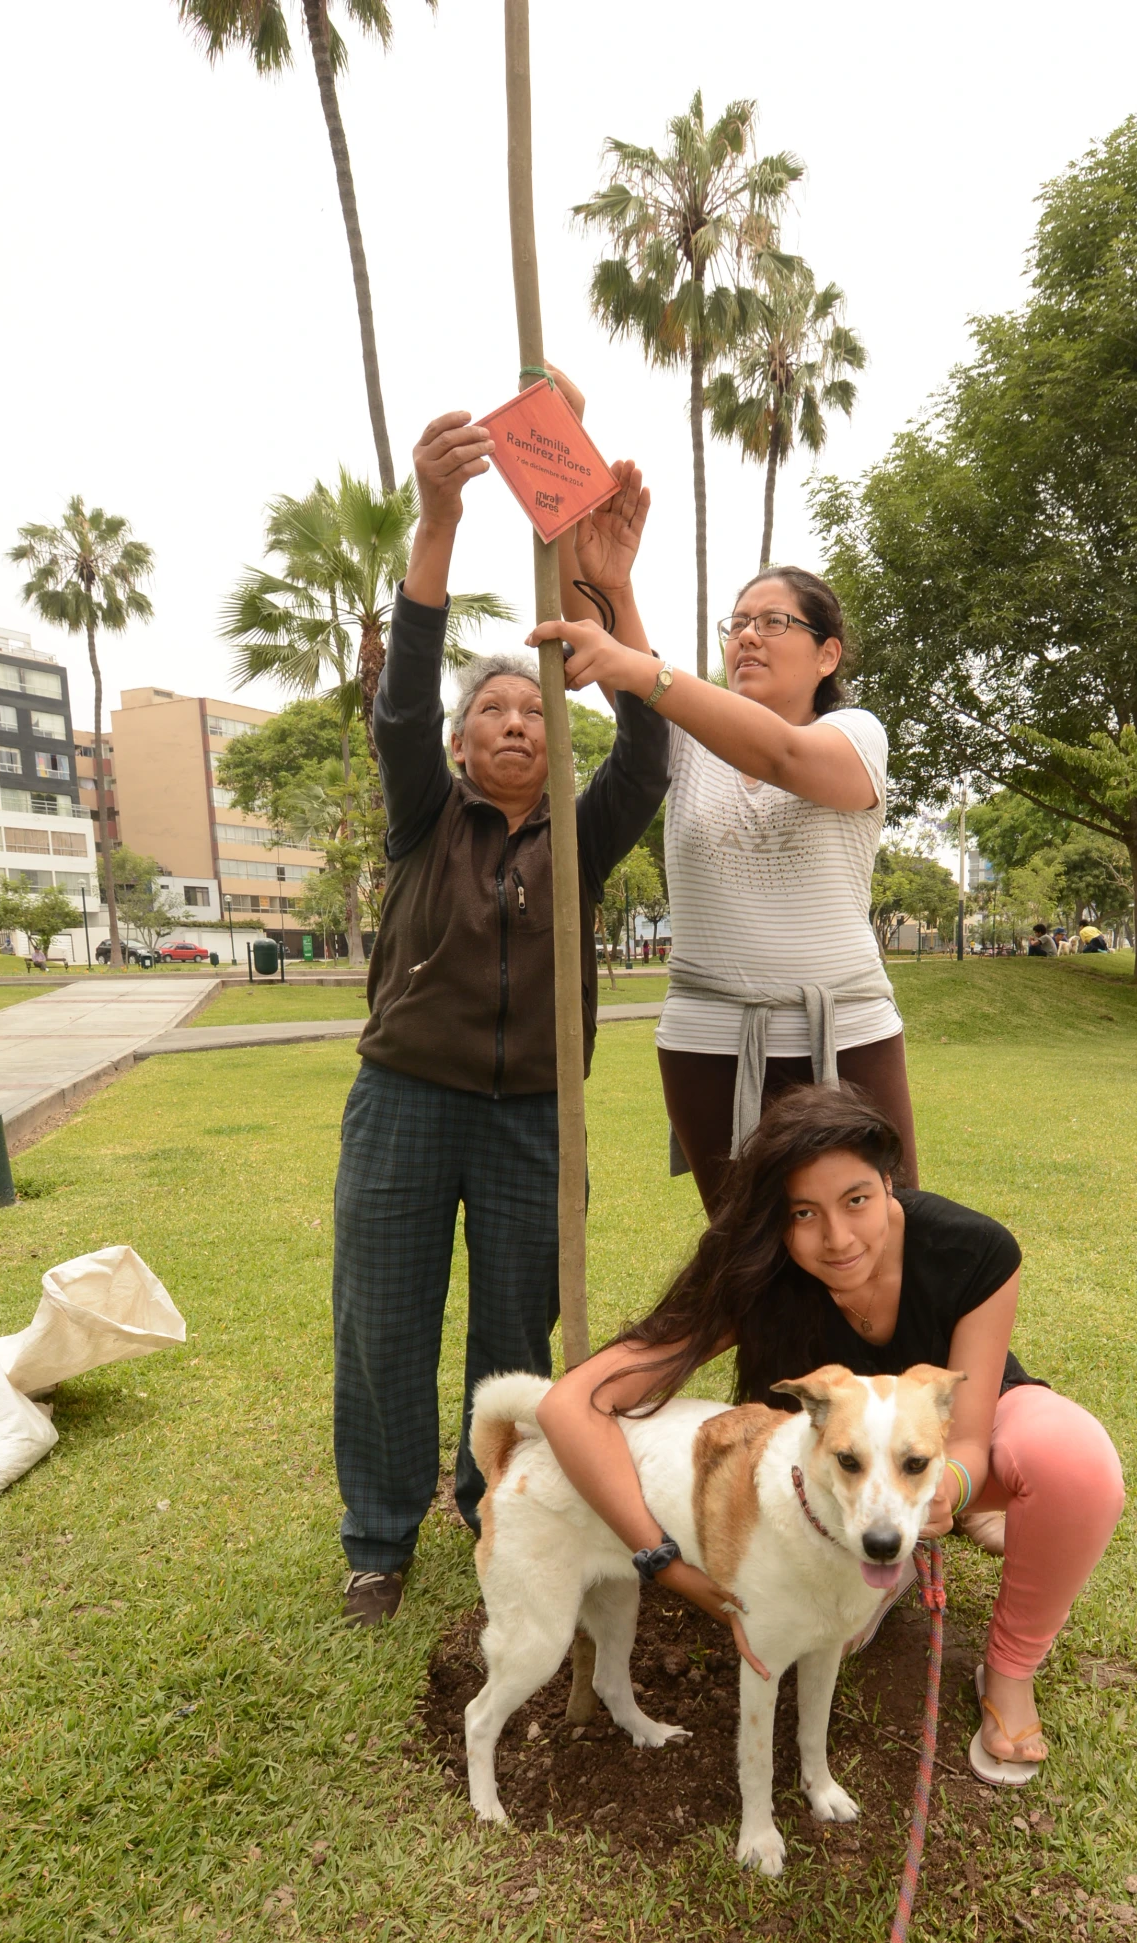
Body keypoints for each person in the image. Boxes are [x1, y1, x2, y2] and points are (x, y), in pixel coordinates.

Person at [331, 405, 673, 1625]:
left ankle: (497, 1522)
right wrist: (438, 519)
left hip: (540, 1115)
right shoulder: (425, 812)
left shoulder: (586, 835)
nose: (518, 721)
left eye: (534, 710)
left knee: (514, 1340)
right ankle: (377, 1536)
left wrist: (612, 607)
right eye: (493, 711)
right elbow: (399, 692)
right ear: (461, 745)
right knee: (381, 1322)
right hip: (406, 1101)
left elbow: (650, 751)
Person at [537, 1085, 1124, 1781]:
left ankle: (1010, 1669)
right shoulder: (756, 1272)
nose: (837, 1239)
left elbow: (965, 1440)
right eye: (803, 1214)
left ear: (889, 1182)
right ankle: (886, 1570)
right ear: (775, 1222)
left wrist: (950, 1490)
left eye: (856, 1201)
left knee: (1076, 1461)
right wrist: (662, 1562)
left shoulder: (973, 1249)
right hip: (825, 1488)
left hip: (952, 1439)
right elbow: (569, 1406)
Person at [531, 564, 916, 1209]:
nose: (747, 638)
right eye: (736, 625)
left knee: (878, 1240)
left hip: (847, 1033)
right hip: (706, 1042)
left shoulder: (856, 734)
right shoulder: (683, 739)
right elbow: (602, 634)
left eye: (773, 622)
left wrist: (643, 672)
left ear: (828, 654)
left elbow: (782, 757)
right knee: (743, 1249)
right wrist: (607, 572)